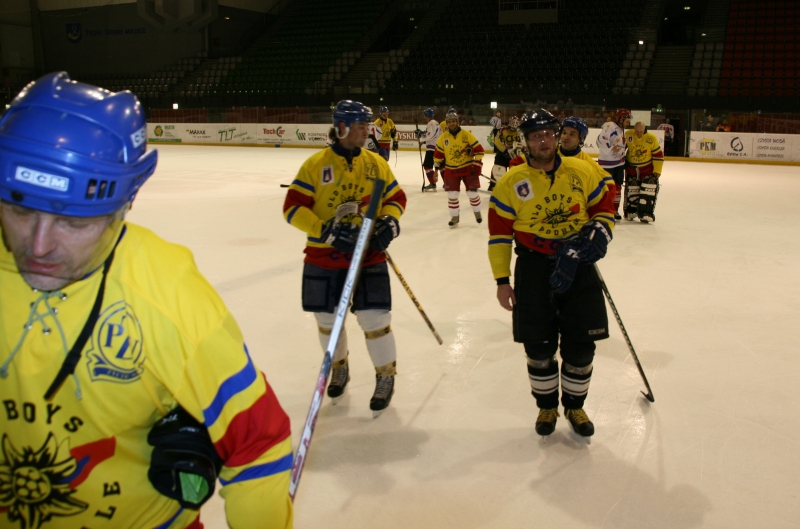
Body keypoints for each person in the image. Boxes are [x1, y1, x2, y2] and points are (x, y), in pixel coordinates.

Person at [0, 72, 293, 528]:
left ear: (124, 205)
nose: (38, 247)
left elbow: (257, 442)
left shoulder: (168, 293)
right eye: (20, 210)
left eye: (74, 222)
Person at [487, 108, 615, 439]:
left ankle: (575, 406)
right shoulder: (511, 182)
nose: (543, 141)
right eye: (535, 136)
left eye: (547, 134)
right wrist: (502, 280)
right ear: (526, 142)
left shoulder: (581, 170)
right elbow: (499, 236)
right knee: (539, 347)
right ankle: (547, 406)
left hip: (579, 266)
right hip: (533, 269)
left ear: (556, 137)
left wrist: (601, 230)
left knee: (582, 346)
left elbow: (605, 203)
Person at [283, 100, 407, 416]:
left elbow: (396, 197)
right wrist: (324, 231)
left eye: (367, 126)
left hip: (368, 255)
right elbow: (292, 208)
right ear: (342, 127)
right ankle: (339, 366)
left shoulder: (375, 163)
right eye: (361, 126)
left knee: (375, 318)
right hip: (324, 256)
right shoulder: (315, 165)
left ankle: (385, 375)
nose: (367, 132)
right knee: (327, 322)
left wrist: (389, 222)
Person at [433, 110, 485, 227]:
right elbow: (438, 156)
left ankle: (477, 212)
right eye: (449, 122)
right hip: (451, 170)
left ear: (457, 122)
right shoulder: (443, 138)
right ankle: (455, 217)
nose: (451, 123)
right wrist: (436, 171)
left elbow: (480, 150)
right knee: (452, 195)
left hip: (468, 168)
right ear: (447, 123)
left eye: (453, 121)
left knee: (472, 193)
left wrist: (477, 163)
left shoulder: (466, 134)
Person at [624, 122, 664, 223]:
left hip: (647, 168)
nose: (638, 134)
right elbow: (621, 149)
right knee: (632, 188)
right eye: (637, 131)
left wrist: (657, 169)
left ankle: (646, 212)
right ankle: (631, 210)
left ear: (645, 129)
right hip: (632, 168)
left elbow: (658, 155)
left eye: (641, 131)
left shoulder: (651, 138)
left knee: (649, 187)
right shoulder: (628, 135)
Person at [598, 108, 631, 219]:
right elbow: (601, 139)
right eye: (626, 119)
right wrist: (612, 148)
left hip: (619, 163)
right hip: (607, 164)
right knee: (607, 187)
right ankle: (605, 209)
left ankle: (615, 210)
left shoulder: (621, 129)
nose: (628, 122)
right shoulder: (610, 125)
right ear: (620, 118)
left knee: (618, 187)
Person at [488, 115, 523, 192]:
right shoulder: (503, 130)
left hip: (516, 155)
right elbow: (497, 140)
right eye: (513, 123)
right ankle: (493, 185)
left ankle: (516, 186)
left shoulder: (521, 132)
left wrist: (521, 148)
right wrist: (504, 149)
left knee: (516, 171)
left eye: (516, 123)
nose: (514, 126)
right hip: (503, 154)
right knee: (498, 169)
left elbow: (525, 142)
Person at [417, 107, 443, 191]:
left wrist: (421, 135)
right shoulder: (436, 123)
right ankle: (447, 183)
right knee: (441, 166)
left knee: (427, 166)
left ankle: (432, 183)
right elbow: (434, 136)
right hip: (437, 147)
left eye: (425, 115)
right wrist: (424, 141)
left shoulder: (431, 123)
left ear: (426, 115)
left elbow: (431, 135)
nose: (424, 117)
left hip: (432, 149)